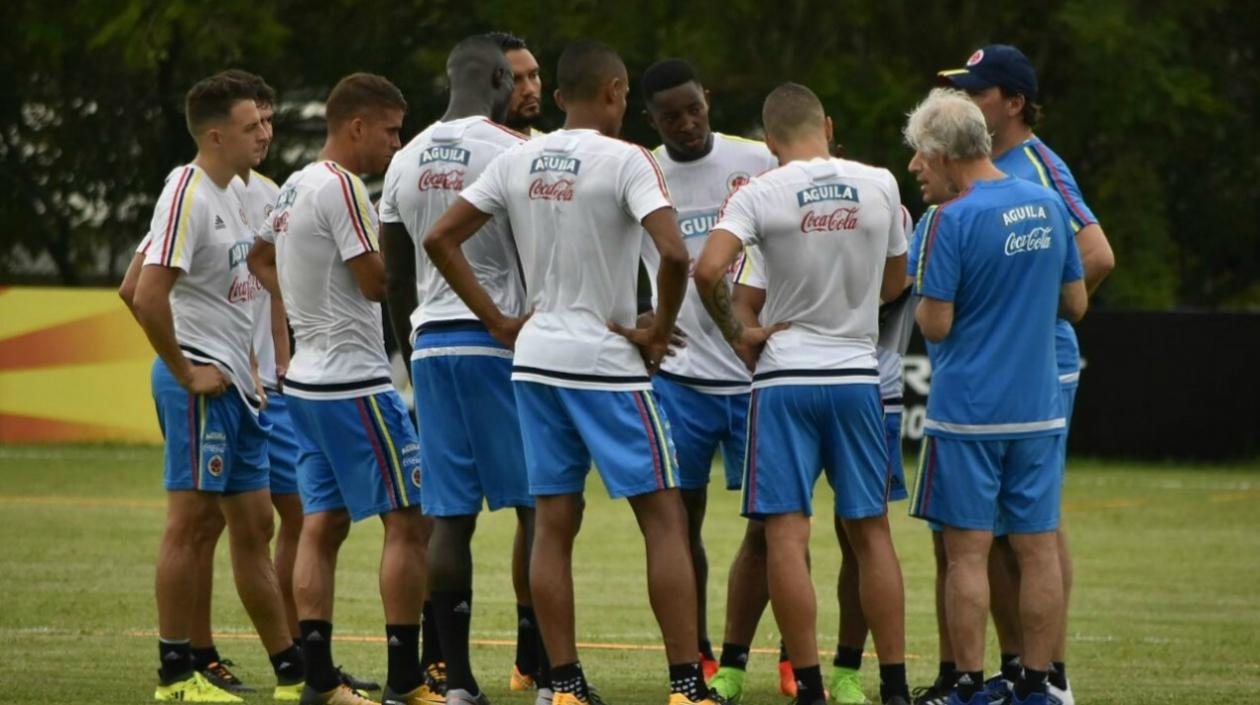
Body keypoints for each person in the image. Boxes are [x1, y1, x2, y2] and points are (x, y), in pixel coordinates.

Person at [424, 40, 724, 705]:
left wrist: (499, 321)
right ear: (616, 91)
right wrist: (658, 329)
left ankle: (563, 685)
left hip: (536, 360)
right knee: (665, 518)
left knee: (553, 524)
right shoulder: (629, 159)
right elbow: (675, 254)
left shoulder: (517, 158)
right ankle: (686, 685)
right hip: (605, 362)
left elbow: (439, 237)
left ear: (561, 96)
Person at [693, 82, 910, 705]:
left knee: (786, 537)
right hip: (856, 375)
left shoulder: (760, 191)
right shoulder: (881, 183)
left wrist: (739, 334)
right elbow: (896, 282)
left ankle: (809, 686)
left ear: (769, 142)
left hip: (784, 377)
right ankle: (894, 687)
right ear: (829, 125)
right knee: (872, 535)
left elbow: (707, 270)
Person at [938, 44, 1115, 705]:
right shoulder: (981, 166)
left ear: (1014, 103)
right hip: (1003, 368)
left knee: (1033, 526)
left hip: (1040, 365)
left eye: (977, 92)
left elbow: (1097, 254)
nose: (965, 101)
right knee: (995, 532)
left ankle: (1052, 674)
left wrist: (1023, 319)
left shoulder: (1038, 166)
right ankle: (1017, 669)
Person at [249, 73, 432, 705]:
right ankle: (406, 679)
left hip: (306, 383)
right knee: (409, 519)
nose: (395, 145)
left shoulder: (294, 184)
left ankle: (320, 681)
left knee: (321, 524)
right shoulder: (346, 186)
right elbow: (375, 282)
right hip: (354, 381)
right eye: (391, 131)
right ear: (357, 126)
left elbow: (259, 257)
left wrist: (307, 305)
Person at [903, 88, 1088, 705]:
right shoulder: (1047, 203)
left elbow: (935, 325)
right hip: (1038, 409)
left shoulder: (945, 221)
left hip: (968, 414)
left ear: (943, 153)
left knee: (967, 556)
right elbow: (1076, 304)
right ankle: (1039, 684)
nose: (915, 167)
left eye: (920, 154)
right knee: (1038, 551)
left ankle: (966, 684)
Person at [131, 72, 304, 703]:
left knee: (254, 523)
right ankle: (176, 675)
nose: (264, 133)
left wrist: (258, 365)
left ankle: (293, 673)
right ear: (215, 135)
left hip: (239, 388)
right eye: (251, 125)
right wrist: (185, 370)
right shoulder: (188, 192)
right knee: (192, 525)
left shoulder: (239, 193)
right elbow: (142, 294)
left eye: (265, 122)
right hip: (202, 385)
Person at [379, 35, 535, 705]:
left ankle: (459, 681)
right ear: (500, 80)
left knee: (449, 517)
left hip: (432, 346)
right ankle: (546, 668)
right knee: (539, 506)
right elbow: (537, 250)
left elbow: (394, 275)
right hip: (499, 342)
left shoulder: (404, 157)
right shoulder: (511, 151)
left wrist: (414, 354)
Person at [636, 57, 778, 686]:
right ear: (651, 119)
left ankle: (780, 656)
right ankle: (696, 652)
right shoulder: (641, 170)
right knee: (679, 522)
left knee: (776, 525)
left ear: (709, 99)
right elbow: (613, 255)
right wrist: (640, 318)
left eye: (694, 109)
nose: (687, 123)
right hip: (680, 380)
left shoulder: (759, 160)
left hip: (756, 376)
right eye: (671, 116)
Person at [486, 31, 545, 136]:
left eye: (533, 75)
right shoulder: (466, 144)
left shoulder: (552, 144)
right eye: (514, 80)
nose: (530, 89)